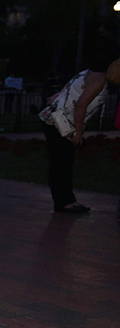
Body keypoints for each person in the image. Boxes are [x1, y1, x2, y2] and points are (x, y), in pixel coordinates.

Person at [38, 55, 111, 213]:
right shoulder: (99, 79)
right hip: (61, 123)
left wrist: (59, 97)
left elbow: (71, 90)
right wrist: (78, 132)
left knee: (62, 163)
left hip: (53, 119)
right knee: (61, 163)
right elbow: (81, 106)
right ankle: (64, 202)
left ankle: (67, 199)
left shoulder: (87, 73)